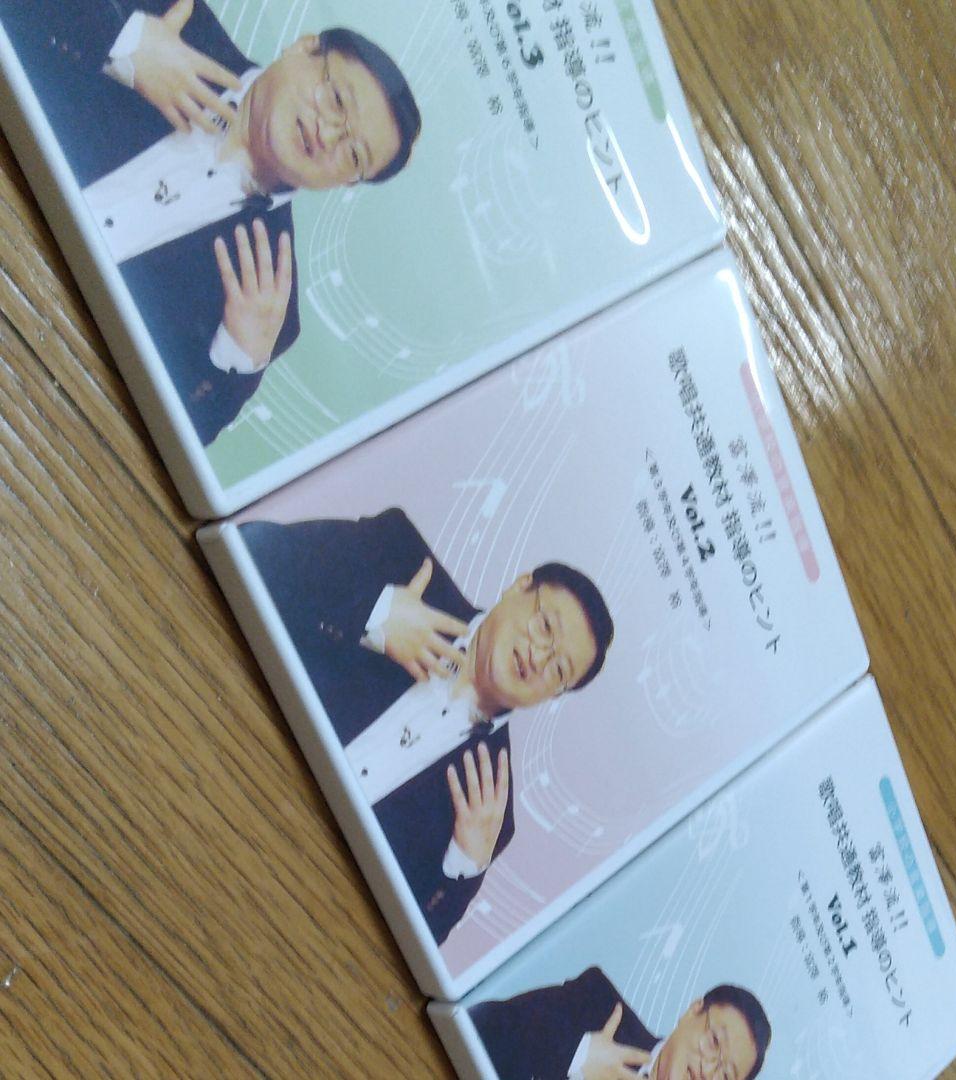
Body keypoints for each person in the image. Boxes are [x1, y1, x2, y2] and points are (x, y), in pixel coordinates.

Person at [0, 0, 421, 442]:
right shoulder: (179, 17)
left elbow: (152, 437)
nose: (327, 134)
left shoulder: (270, 307)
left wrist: (233, 363)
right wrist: (121, 40)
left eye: (354, 154)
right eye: (336, 100)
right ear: (303, 48)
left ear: (347, 183)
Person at [238, 509, 615, 944]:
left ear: (554, 697)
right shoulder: (402, 556)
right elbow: (251, 547)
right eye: (545, 626)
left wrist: (462, 870)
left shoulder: (491, 812)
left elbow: (402, 943)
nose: (538, 657)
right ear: (519, 586)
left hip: (280, 903)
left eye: (559, 670)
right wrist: (373, 612)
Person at [469, 966, 772, 1080]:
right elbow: (481, 1025)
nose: (708, 1070)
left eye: (726, 1076)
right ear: (693, 1012)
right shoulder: (597, 1003)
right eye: (714, 1042)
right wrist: (577, 1058)